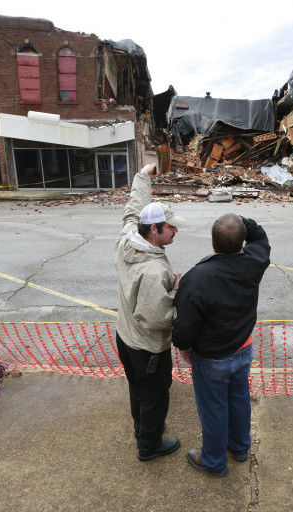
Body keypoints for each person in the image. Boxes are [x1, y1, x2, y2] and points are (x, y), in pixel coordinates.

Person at [172, 214, 271, 476]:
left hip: (212, 357)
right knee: (239, 399)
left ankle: (214, 461)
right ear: (241, 241)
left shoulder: (197, 278)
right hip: (243, 348)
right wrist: (240, 221)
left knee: (214, 408)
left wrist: (183, 346)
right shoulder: (253, 263)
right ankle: (239, 447)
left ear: (213, 243)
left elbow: (184, 326)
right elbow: (260, 236)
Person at [114, 163, 186, 461]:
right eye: (170, 227)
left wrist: (143, 177)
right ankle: (149, 446)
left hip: (125, 336)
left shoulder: (128, 238)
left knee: (138, 389)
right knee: (154, 395)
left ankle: (142, 429)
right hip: (147, 348)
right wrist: (177, 294)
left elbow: (133, 209)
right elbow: (158, 319)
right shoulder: (155, 272)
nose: (175, 230)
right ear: (154, 229)